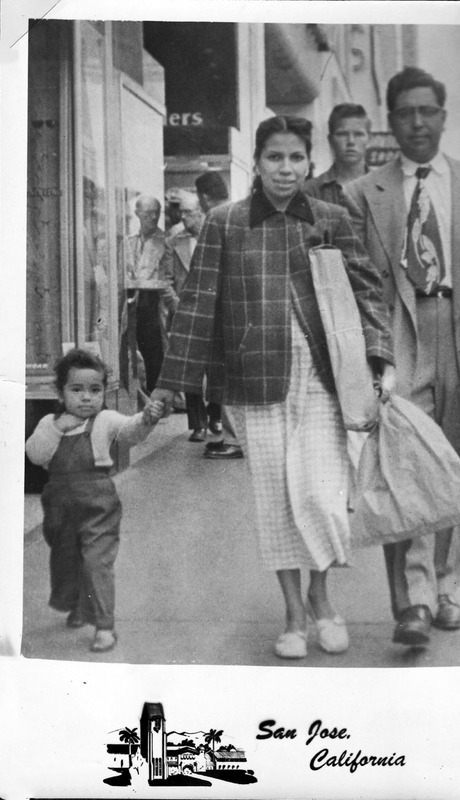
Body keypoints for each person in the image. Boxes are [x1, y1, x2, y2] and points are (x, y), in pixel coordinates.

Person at [153, 115, 395, 659]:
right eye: (274, 158)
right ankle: (293, 615)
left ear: (309, 163)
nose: (285, 169)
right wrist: (171, 385)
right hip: (253, 382)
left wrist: (380, 357)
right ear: (257, 163)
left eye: (295, 158)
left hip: (323, 380)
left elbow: (369, 292)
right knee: (276, 501)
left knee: (320, 494)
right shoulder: (224, 222)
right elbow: (196, 306)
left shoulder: (331, 217)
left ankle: (321, 597)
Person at [344, 67, 460, 647]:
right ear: (391, 121)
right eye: (406, 113)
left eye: (427, 112)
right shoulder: (364, 192)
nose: (418, 122)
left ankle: (446, 588)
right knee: (406, 462)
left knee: (458, 464)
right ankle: (413, 603)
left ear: (444, 118)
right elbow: (355, 277)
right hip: (401, 327)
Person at [25, 348, 164, 653]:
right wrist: (55, 428)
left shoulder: (105, 420)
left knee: (96, 561)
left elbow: (131, 431)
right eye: (77, 390)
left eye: (95, 390)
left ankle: (104, 626)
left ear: (103, 391)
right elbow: (35, 454)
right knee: (67, 559)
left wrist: (147, 419)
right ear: (61, 394)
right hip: (59, 506)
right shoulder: (50, 422)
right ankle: (78, 604)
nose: (86, 397)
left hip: (99, 503)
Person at [194, 172, 244, 460]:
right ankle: (232, 435)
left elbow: (209, 272)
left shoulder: (216, 217)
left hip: (224, 312)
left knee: (225, 378)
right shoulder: (239, 213)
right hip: (240, 310)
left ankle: (235, 440)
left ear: (203, 196)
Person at [166, 190, 220, 439]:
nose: (182, 216)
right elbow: (166, 279)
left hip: (214, 311)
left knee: (216, 367)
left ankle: (216, 417)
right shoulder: (174, 241)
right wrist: (177, 304)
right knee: (190, 367)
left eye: (188, 212)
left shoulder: (217, 238)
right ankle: (198, 424)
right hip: (186, 311)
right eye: (182, 212)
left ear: (202, 212)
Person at [123, 195, 175, 394]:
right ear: (137, 213)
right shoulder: (129, 242)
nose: (153, 217)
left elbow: (168, 276)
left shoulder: (165, 241)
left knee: (154, 352)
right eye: (148, 213)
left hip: (153, 303)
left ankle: (156, 396)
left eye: (156, 212)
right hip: (131, 302)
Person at [304, 103, 371, 206]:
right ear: (330, 140)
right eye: (342, 134)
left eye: (358, 134)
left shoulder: (385, 188)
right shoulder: (310, 191)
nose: (351, 141)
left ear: (369, 139)